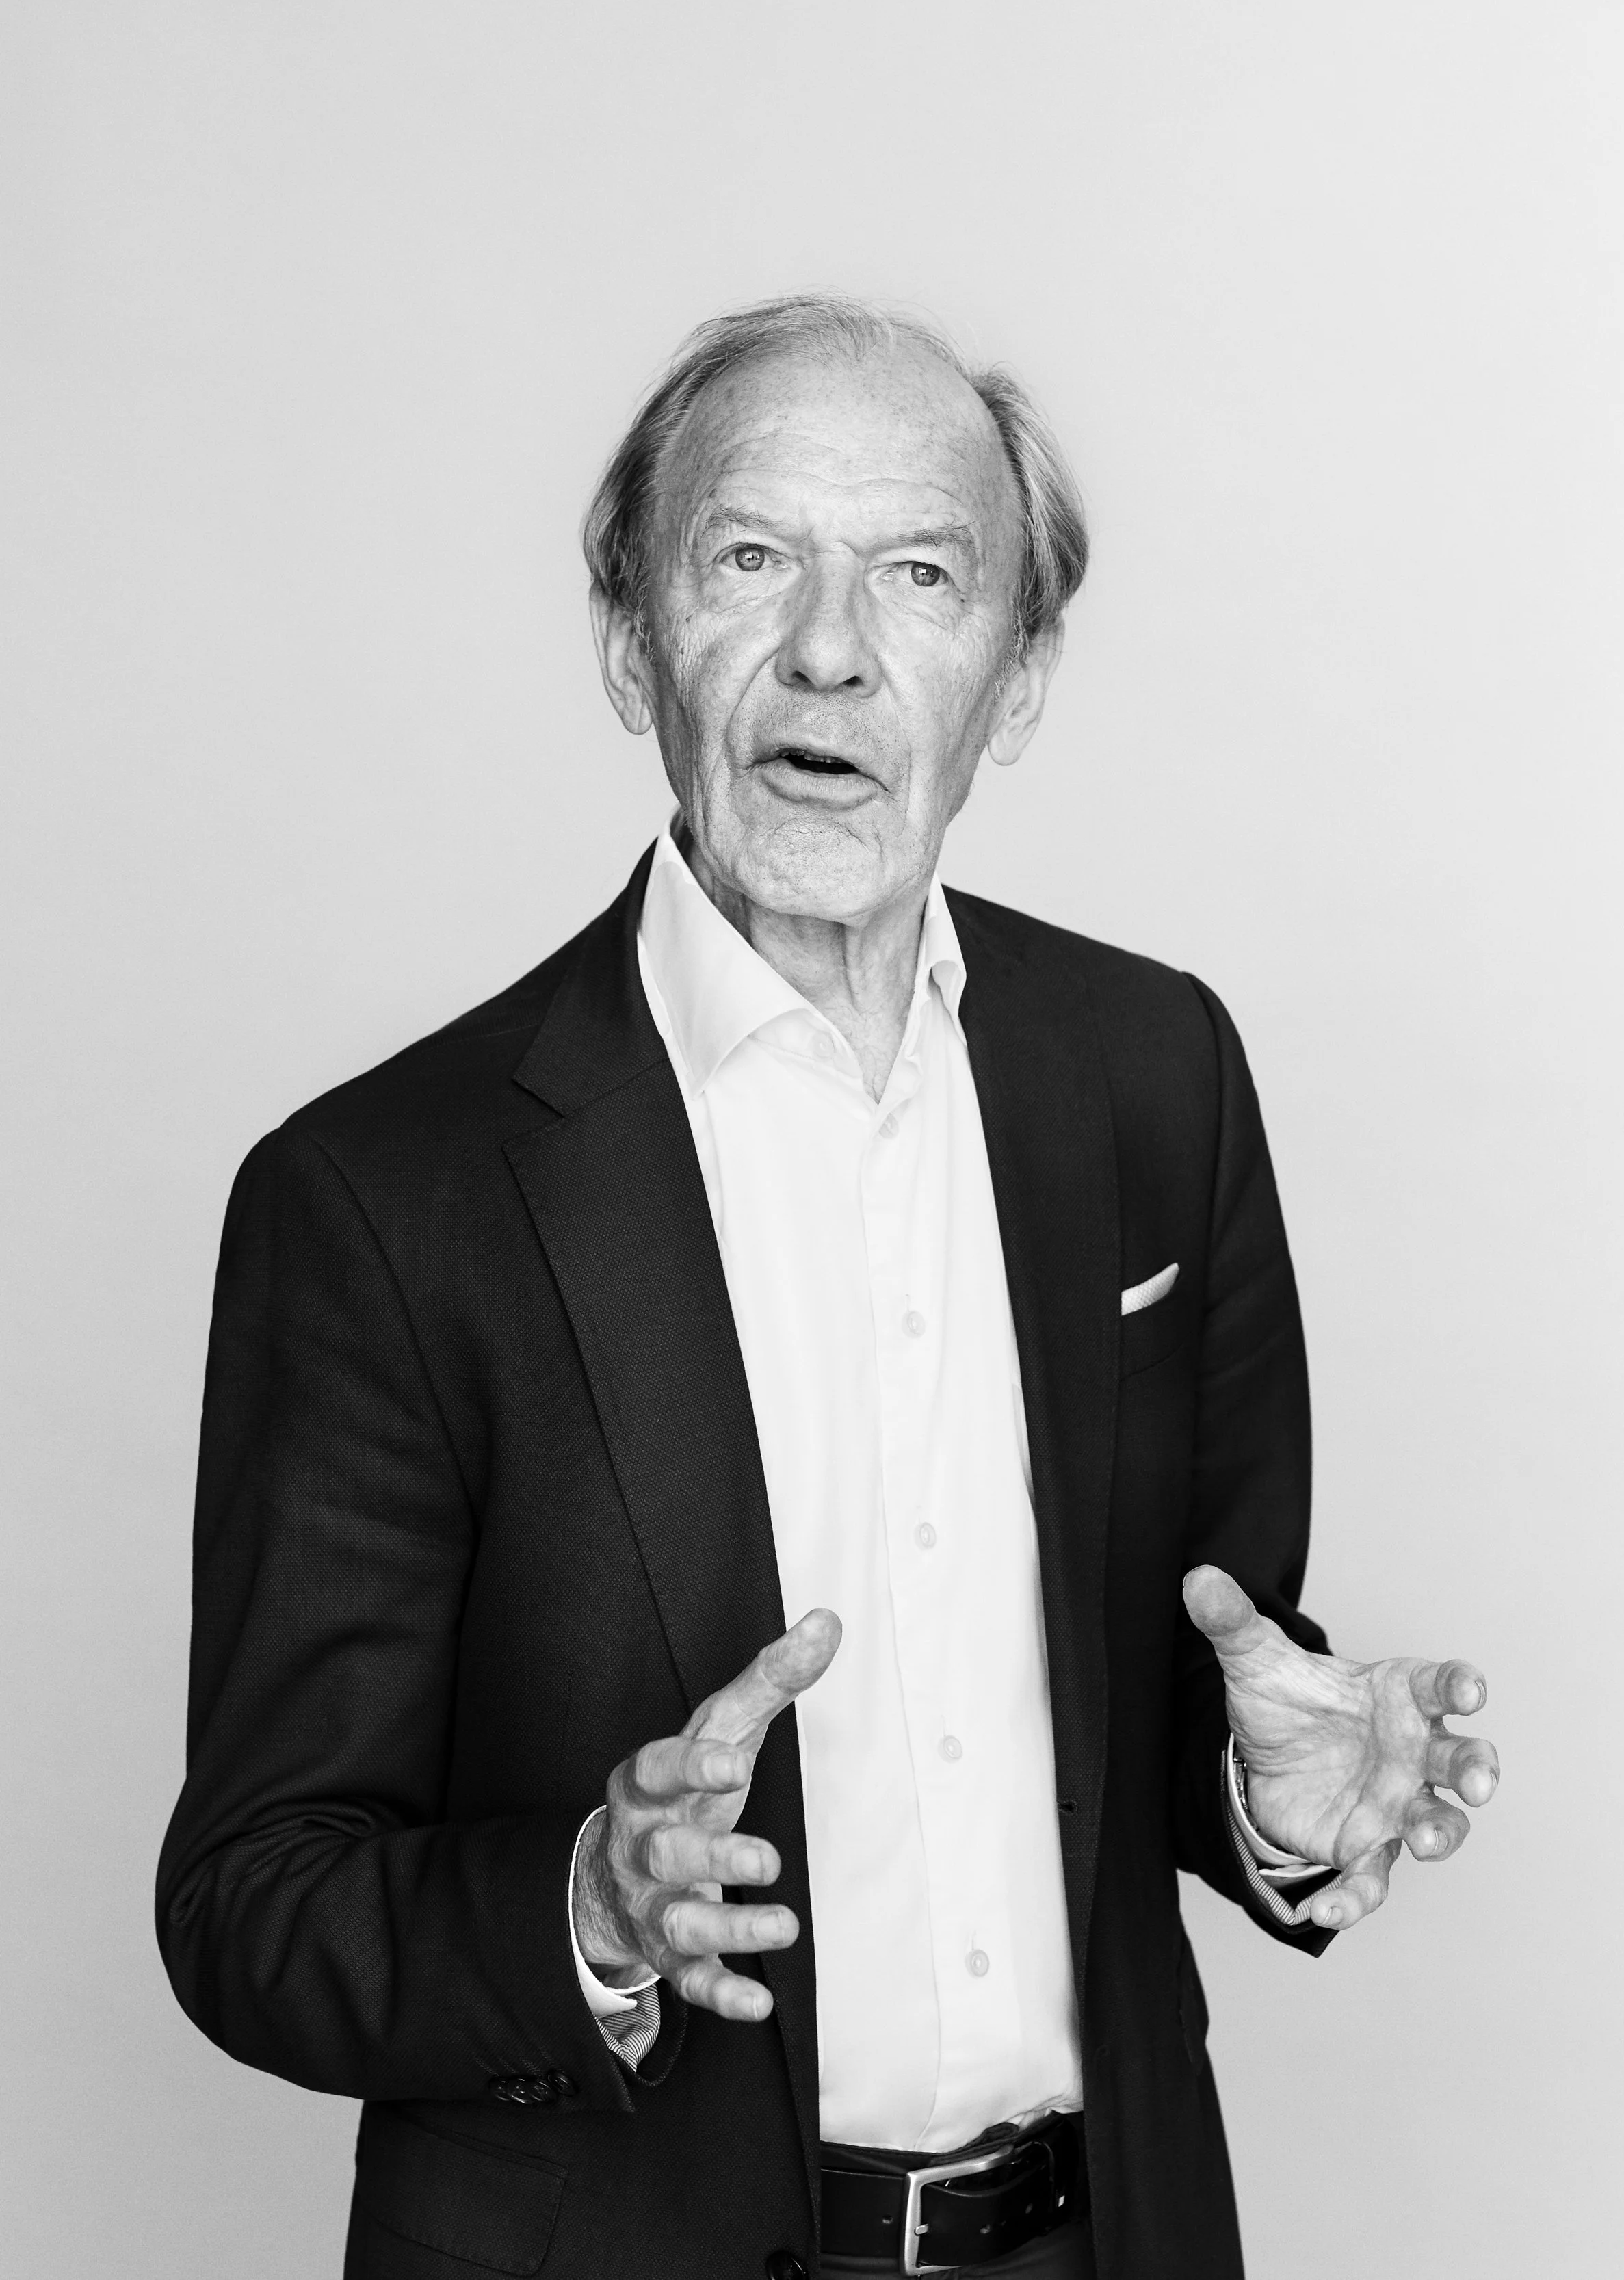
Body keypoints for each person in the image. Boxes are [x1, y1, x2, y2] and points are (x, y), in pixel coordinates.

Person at [157, 295, 1499, 2280]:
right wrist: (589, 1912)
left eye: (923, 575)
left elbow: (1167, 1681)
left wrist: (1264, 1788)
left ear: (1016, 678)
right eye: (751, 558)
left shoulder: (1153, 1077)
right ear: (632, 640)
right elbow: (257, 1899)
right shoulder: (383, 1196)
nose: (830, 647)